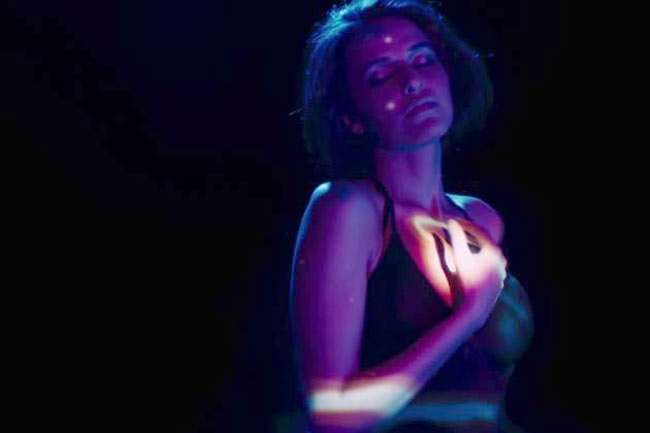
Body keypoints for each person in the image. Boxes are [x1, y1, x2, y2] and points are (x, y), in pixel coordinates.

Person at [289, 1, 534, 432]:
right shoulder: (349, 211)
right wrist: (468, 316)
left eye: (423, 60)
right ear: (351, 117)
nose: (413, 82)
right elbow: (332, 417)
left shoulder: (481, 218)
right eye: (381, 75)